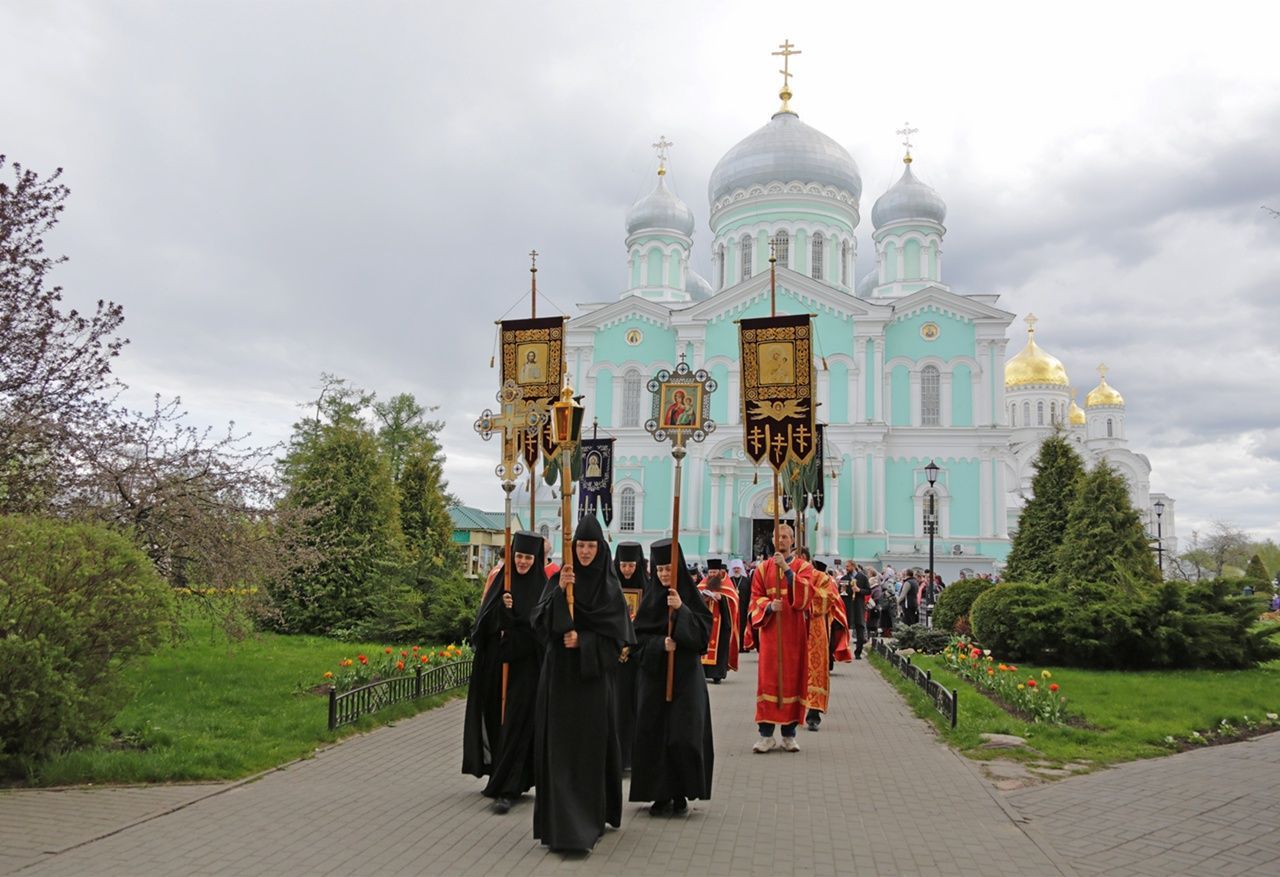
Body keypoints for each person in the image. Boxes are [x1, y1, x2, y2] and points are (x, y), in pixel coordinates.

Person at [532, 516, 634, 853]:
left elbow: (618, 642)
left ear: (600, 550)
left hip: (591, 684)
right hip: (559, 680)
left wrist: (585, 641)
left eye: (591, 546)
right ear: (572, 548)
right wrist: (560, 590)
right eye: (580, 546)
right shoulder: (561, 580)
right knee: (559, 750)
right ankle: (560, 825)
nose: (586, 552)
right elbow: (540, 624)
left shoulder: (610, 589)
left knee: (587, 749)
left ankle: (587, 821)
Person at [462, 531, 547, 813]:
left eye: (528, 558)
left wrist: (517, 622)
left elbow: (543, 631)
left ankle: (511, 786)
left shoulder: (543, 588)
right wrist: (502, 611)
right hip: (498, 667)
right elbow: (484, 625)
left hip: (526, 670)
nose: (522, 562)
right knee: (498, 721)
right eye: (519, 556)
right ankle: (499, 775)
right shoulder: (503, 581)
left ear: (536, 560)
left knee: (518, 723)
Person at [629, 539, 714, 816]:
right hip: (655, 679)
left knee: (683, 735)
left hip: (685, 679)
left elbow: (702, 636)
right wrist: (659, 645)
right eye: (660, 569)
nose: (665, 574)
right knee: (654, 736)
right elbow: (636, 641)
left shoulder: (690, 598)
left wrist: (681, 611)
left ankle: (681, 793)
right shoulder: (651, 600)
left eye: (669, 569)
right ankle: (659, 794)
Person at [746, 522, 812, 753]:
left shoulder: (803, 567)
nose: (781, 540)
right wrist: (768, 606)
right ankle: (765, 735)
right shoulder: (763, 569)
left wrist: (787, 570)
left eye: (786, 536)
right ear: (773, 540)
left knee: (793, 679)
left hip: (793, 632)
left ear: (793, 540)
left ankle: (789, 734)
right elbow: (754, 598)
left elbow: (806, 595)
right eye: (778, 536)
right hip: (772, 632)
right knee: (769, 679)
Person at [800, 556, 851, 731]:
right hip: (796, 629)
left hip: (815, 630)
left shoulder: (823, 578)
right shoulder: (793, 574)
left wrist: (806, 593)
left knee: (816, 671)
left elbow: (828, 599)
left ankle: (813, 713)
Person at [613, 542, 648, 772]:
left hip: (638, 660)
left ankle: (633, 758)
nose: (627, 570)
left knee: (635, 709)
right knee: (614, 709)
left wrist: (634, 646)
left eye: (631, 565)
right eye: (623, 565)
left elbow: (650, 623)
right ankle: (615, 757)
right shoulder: (609, 587)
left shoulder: (649, 588)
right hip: (613, 660)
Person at [698, 558, 740, 684]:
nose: (711, 575)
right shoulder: (703, 583)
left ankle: (717, 674)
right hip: (706, 623)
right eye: (710, 572)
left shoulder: (727, 585)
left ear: (720, 572)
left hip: (721, 623)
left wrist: (722, 599)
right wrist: (703, 597)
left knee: (720, 648)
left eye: (714, 572)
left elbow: (734, 602)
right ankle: (704, 673)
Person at [850, 563, 872, 658]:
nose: (846, 568)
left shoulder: (862, 577)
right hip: (848, 606)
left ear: (853, 567)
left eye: (848, 566)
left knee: (860, 628)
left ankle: (858, 652)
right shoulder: (845, 578)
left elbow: (868, 591)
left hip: (859, 606)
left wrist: (859, 590)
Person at [731, 560, 753, 651]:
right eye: (735, 568)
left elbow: (750, 594)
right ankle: (734, 646)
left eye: (738, 568)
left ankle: (742, 646)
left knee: (743, 626)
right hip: (733, 608)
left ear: (741, 569)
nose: (736, 570)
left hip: (743, 608)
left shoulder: (746, 580)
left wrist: (749, 606)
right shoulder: (729, 580)